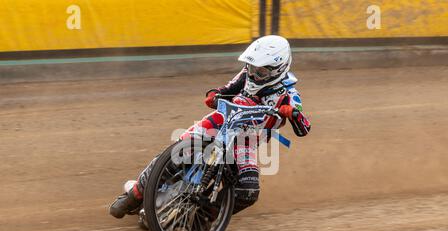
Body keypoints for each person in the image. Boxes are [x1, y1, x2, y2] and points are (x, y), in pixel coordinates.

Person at [109, 35, 311, 219]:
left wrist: (293, 114)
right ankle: (135, 194)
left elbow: (304, 129)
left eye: (261, 71)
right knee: (178, 150)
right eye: (251, 67)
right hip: (220, 121)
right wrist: (215, 94)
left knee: (249, 191)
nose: (253, 74)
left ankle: (203, 219)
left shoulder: (290, 94)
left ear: (279, 69)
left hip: (245, 142)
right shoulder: (247, 74)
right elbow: (228, 88)